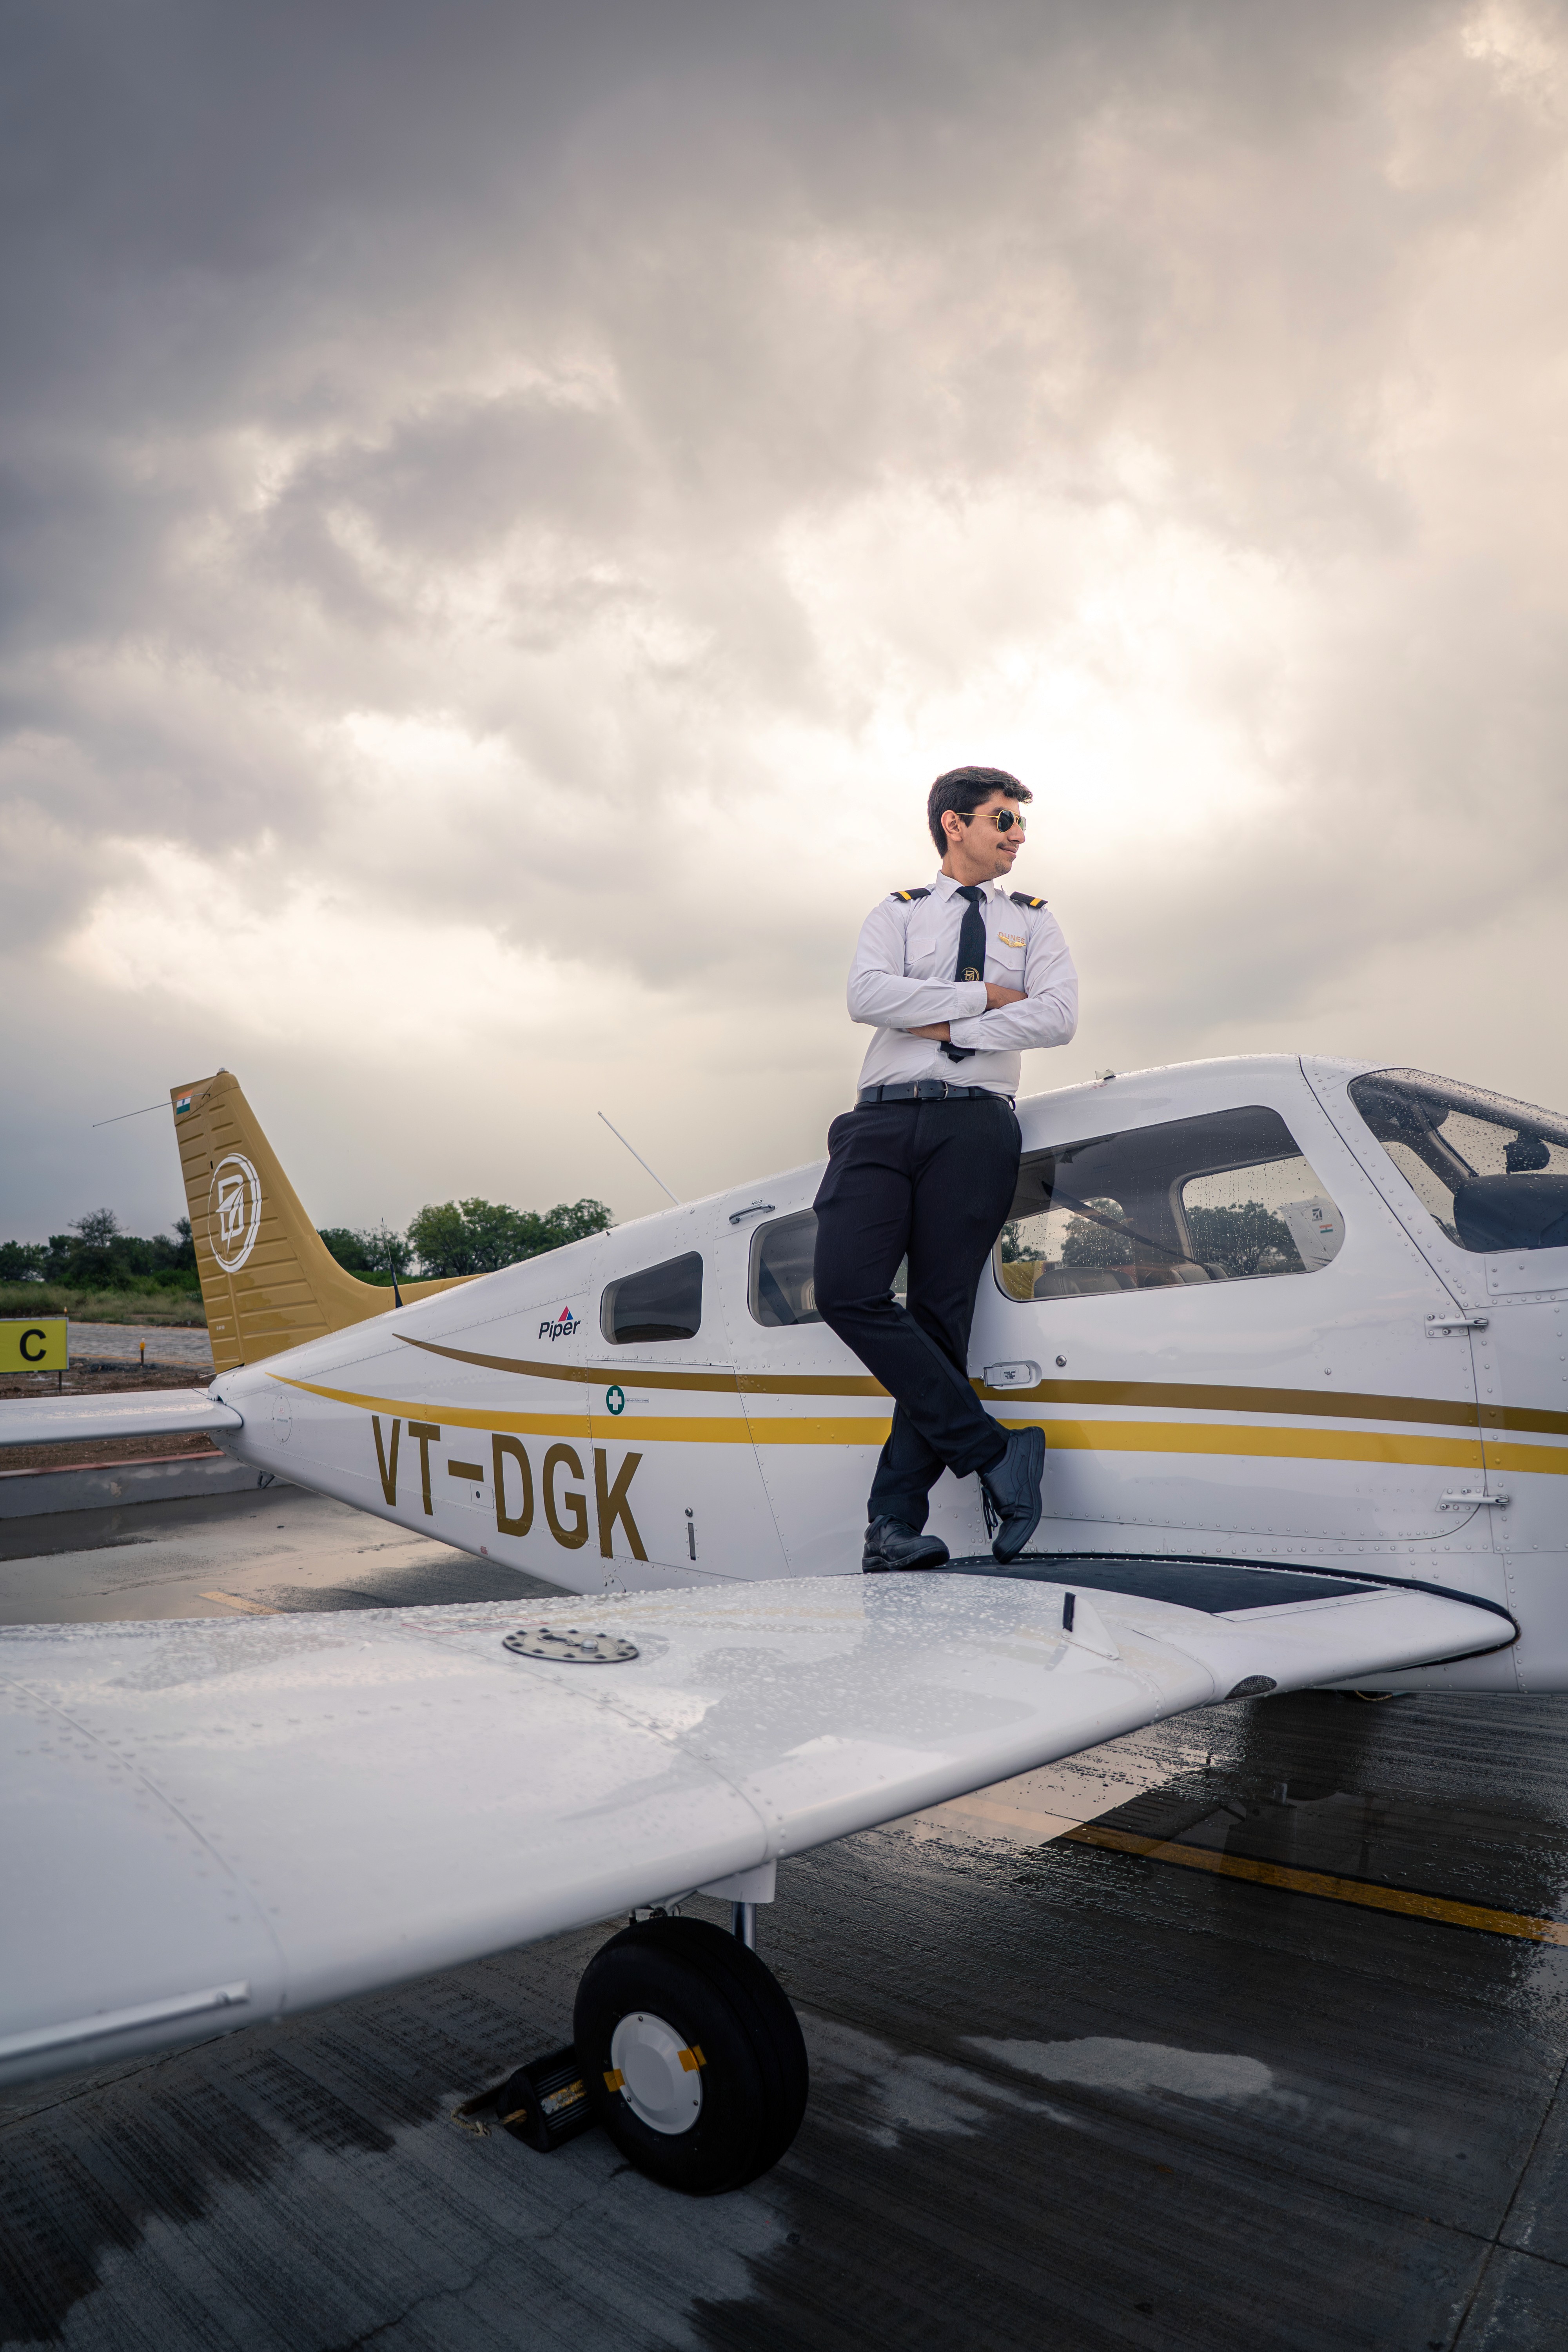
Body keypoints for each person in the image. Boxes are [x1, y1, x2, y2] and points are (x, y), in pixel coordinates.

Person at [812, 764, 1078, 1572]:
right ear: (952, 824)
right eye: (1003, 820)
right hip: (880, 1121)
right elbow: (866, 996)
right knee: (844, 1291)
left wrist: (937, 1021)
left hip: (972, 1126)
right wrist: (987, 999)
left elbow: (1057, 1017)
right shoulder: (896, 913)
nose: (1017, 837)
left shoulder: (1033, 921)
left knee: (937, 1320)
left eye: (1021, 825)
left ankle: (890, 1527)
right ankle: (994, 1451)